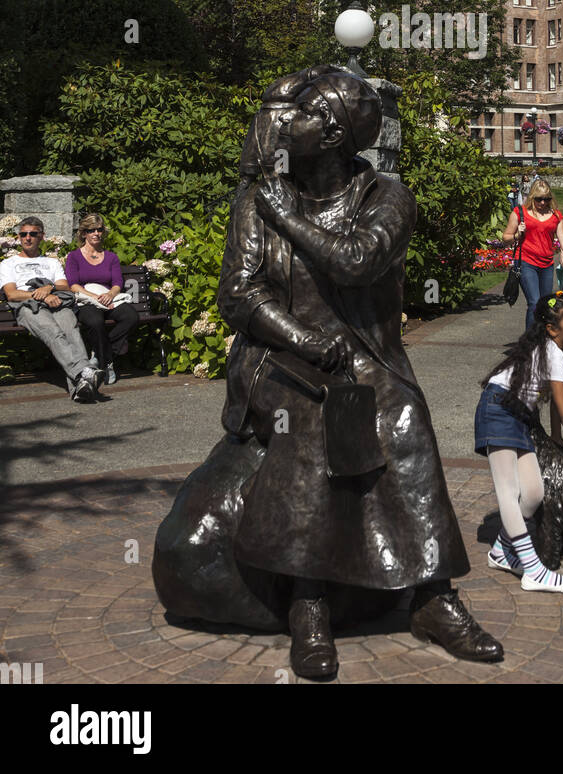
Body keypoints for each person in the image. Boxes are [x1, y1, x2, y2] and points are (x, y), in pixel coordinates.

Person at [153, 64, 502, 680]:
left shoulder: (386, 196)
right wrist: (302, 339)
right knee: (312, 417)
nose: (291, 123)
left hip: (363, 355)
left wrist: (287, 216)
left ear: (336, 133)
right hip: (277, 356)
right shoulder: (258, 194)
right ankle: (308, 605)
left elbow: (356, 261)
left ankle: (433, 598)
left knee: (401, 413)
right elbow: (239, 293)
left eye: (308, 114)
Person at [475, 291, 563, 591]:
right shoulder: (552, 354)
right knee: (509, 492)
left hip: (519, 415)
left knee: (534, 493)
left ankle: (500, 552)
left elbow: (551, 409)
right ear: (552, 328)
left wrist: (557, 442)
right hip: (497, 409)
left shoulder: (552, 351)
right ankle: (533, 570)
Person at [0, 218, 99, 402]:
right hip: (28, 305)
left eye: (33, 234)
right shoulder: (8, 264)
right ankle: (84, 373)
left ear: (42, 237)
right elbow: (12, 294)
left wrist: (49, 289)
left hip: (55, 301)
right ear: (19, 237)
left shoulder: (51, 263)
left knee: (71, 330)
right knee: (53, 332)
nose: (27, 238)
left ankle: (80, 388)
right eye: (23, 234)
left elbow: (64, 287)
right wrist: (43, 295)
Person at [64, 214, 138, 387]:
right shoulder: (74, 257)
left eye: (99, 229)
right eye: (91, 230)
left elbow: (118, 282)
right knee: (95, 322)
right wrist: (94, 297)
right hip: (87, 300)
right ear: (83, 234)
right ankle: (107, 364)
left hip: (108, 298)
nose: (96, 233)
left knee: (131, 317)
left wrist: (110, 295)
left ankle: (100, 353)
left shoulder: (111, 257)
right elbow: (73, 284)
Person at [502, 180, 563, 331]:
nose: (542, 202)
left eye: (546, 199)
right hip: (526, 262)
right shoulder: (519, 213)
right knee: (534, 302)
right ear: (532, 197)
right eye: (539, 199)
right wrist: (517, 234)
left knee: (546, 304)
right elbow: (506, 238)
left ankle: (542, 337)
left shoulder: (556, 215)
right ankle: (530, 342)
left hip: (547, 264)